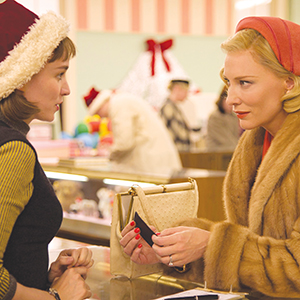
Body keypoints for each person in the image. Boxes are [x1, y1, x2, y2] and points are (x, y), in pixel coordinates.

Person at [119, 16, 300, 298]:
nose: (230, 98)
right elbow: (251, 252)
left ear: (289, 82)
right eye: (229, 83)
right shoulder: (255, 141)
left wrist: (210, 244)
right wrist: (173, 252)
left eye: (246, 83)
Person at [0, 1, 93, 299]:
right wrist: (56, 297)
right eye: (59, 74)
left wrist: (45, 275)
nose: (66, 89)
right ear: (22, 79)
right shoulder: (14, 149)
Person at [83, 87, 182, 175]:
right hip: (157, 161)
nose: (100, 117)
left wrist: (107, 154)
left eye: (97, 113)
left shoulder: (118, 105)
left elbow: (124, 143)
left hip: (152, 163)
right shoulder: (122, 101)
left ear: (100, 105)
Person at [159, 79, 201, 151]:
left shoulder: (174, 107)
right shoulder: (168, 108)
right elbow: (176, 134)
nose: (187, 95)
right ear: (176, 89)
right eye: (185, 91)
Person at [205, 85, 241, 151]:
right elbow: (225, 140)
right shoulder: (215, 117)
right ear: (222, 100)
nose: (230, 104)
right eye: (227, 100)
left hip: (230, 151)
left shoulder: (234, 116)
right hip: (216, 154)